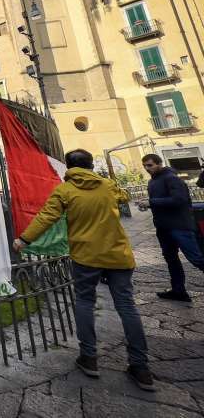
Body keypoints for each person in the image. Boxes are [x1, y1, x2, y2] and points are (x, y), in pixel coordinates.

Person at [12, 149, 153, 391]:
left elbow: (46, 217)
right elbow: (124, 196)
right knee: (127, 306)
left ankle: (89, 357)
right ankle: (141, 367)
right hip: (117, 253)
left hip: (86, 256)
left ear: (69, 166)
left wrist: (24, 239)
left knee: (85, 302)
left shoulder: (65, 190)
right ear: (90, 165)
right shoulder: (107, 185)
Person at [137, 154, 204, 302]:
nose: (147, 169)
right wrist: (148, 204)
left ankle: (178, 290)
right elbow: (160, 202)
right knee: (171, 259)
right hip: (164, 227)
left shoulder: (171, 178)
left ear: (159, 163)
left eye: (150, 165)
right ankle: (178, 290)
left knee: (196, 258)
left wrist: (151, 202)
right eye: (145, 166)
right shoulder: (152, 182)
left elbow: (179, 200)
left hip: (180, 226)